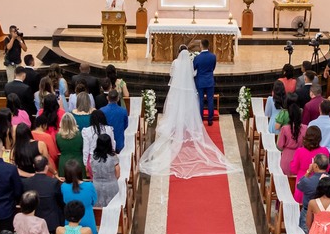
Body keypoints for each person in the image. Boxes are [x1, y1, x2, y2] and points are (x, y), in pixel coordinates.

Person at [140, 46, 233, 178]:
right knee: (188, 106)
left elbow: (171, 74)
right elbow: (193, 74)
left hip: (177, 89)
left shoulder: (175, 62)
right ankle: (187, 122)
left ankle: (176, 122)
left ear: (178, 53)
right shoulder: (190, 62)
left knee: (175, 106)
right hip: (188, 89)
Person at [24, 155, 65, 233]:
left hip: (34, 219)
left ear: (33, 166)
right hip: (51, 221)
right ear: (46, 167)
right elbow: (60, 201)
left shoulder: (26, 183)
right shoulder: (53, 182)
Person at [59, 160, 97, 234]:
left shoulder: (64, 187)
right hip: (88, 219)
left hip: (70, 222)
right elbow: (94, 201)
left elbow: (63, 201)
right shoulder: (89, 186)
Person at [91, 133, 122, 207]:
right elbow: (118, 174)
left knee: (98, 209)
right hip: (111, 186)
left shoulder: (93, 157)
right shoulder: (113, 157)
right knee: (112, 207)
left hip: (96, 186)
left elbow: (92, 171)